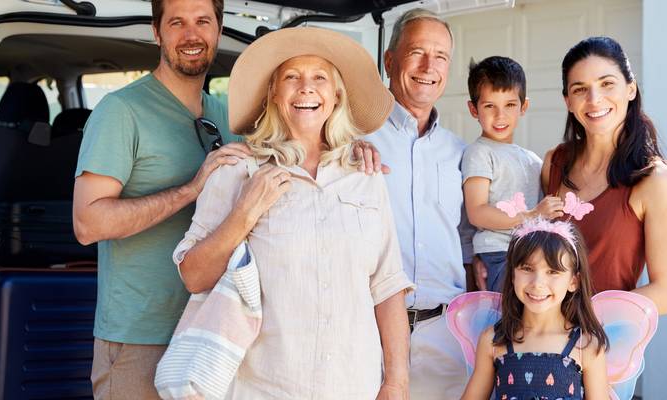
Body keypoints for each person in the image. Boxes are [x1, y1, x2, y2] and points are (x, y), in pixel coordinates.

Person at [174, 26, 414, 399]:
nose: (306, 88)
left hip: (353, 386)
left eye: (320, 77)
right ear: (273, 92)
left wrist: (396, 383)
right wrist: (245, 212)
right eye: (291, 77)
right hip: (264, 389)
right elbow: (193, 276)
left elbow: (387, 287)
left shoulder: (366, 176)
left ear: (336, 95)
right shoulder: (238, 170)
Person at [71, 0, 253, 398]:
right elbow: (88, 224)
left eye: (203, 21)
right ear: (157, 32)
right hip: (141, 339)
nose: (192, 35)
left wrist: (356, 151)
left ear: (218, 30)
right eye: (177, 23)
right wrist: (191, 189)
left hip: (215, 333)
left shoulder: (231, 118)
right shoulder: (121, 111)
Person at [364, 9, 475, 398]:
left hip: (447, 336)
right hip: (369, 333)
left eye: (441, 56)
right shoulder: (354, 140)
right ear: (389, 61)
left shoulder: (462, 154)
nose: (429, 66)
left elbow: (468, 243)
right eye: (417, 52)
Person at [542, 36, 667, 313]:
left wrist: (583, 322)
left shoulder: (653, 179)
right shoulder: (554, 163)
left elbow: (665, 290)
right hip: (541, 346)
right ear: (568, 101)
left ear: (630, 89)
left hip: (608, 346)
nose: (594, 99)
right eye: (580, 89)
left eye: (607, 83)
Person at [461, 219, 609, 399]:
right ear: (513, 275)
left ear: (573, 281)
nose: (537, 283)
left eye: (553, 271)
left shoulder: (585, 345)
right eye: (527, 268)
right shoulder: (493, 340)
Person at [462, 56, 562, 292]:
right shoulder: (479, 152)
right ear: (473, 109)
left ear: (523, 107)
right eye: (489, 106)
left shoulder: (532, 160)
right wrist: (531, 215)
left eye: (509, 105)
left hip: (531, 253)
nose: (500, 116)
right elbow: (477, 212)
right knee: (509, 323)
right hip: (500, 255)